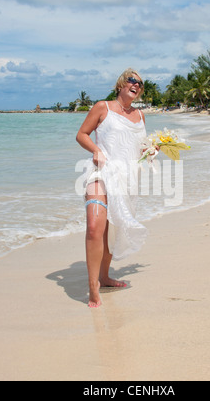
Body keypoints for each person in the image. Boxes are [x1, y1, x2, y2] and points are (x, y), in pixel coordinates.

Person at [76, 69, 150, 308]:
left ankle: (105, 276)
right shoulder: (102, 107)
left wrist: (151, 152)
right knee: (95, 226)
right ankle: (92, 286)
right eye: (132, 80)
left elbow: (138, 150)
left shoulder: (140, 116)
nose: (136, 85)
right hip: (100, 173)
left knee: (112, 230)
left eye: (140, 83)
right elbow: (82, 134)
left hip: (126, 179)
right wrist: (96, 151)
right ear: (121, 83)